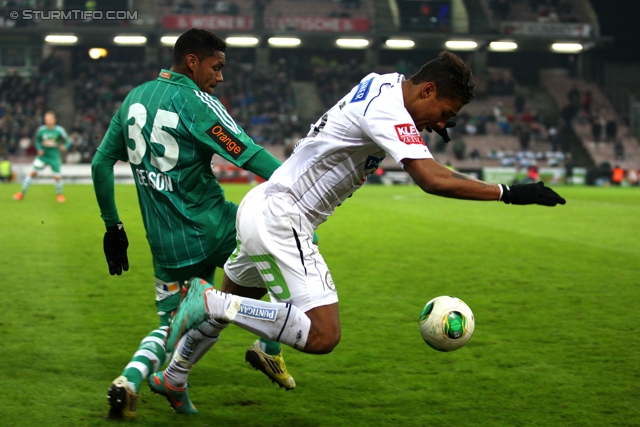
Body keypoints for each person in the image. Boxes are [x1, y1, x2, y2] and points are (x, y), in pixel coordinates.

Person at [164, 51, 566, 371]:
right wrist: (508, 192)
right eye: (445, 112)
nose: (442, 122)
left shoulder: (384, 83)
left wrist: (424, 122)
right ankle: (213, 301)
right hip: (284, 217)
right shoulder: (387, 108)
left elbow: (400, 126)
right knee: (322, 335)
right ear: (426, 90)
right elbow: (430, 178)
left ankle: (174, 375)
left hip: (262, 205)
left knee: (234, 304)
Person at [92, 29, 295, 420]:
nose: (220, 77)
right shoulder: (197, 102)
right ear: (192, 61)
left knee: (172, 328)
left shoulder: (134, 97)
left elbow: (101, 163)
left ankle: (130, 382)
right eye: (216, 67)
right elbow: (248, 154)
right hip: (214, 227)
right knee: (294, 243)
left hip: (165, 241)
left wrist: (113, 226)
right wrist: (299, 188)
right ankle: (269, 350)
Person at [13, 111, 70, 202]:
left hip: (54, 157)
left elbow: (67, 141)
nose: (48, 121)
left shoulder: (59, 130)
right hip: (43, 157)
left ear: (54, 120)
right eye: (47, 119)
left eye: (50, 119)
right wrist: (39, 149)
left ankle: (59, 195)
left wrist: (65, 146)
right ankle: (22, 193)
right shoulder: (41, 130)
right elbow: (37, 141)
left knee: (57, 177)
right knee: (32, 173)